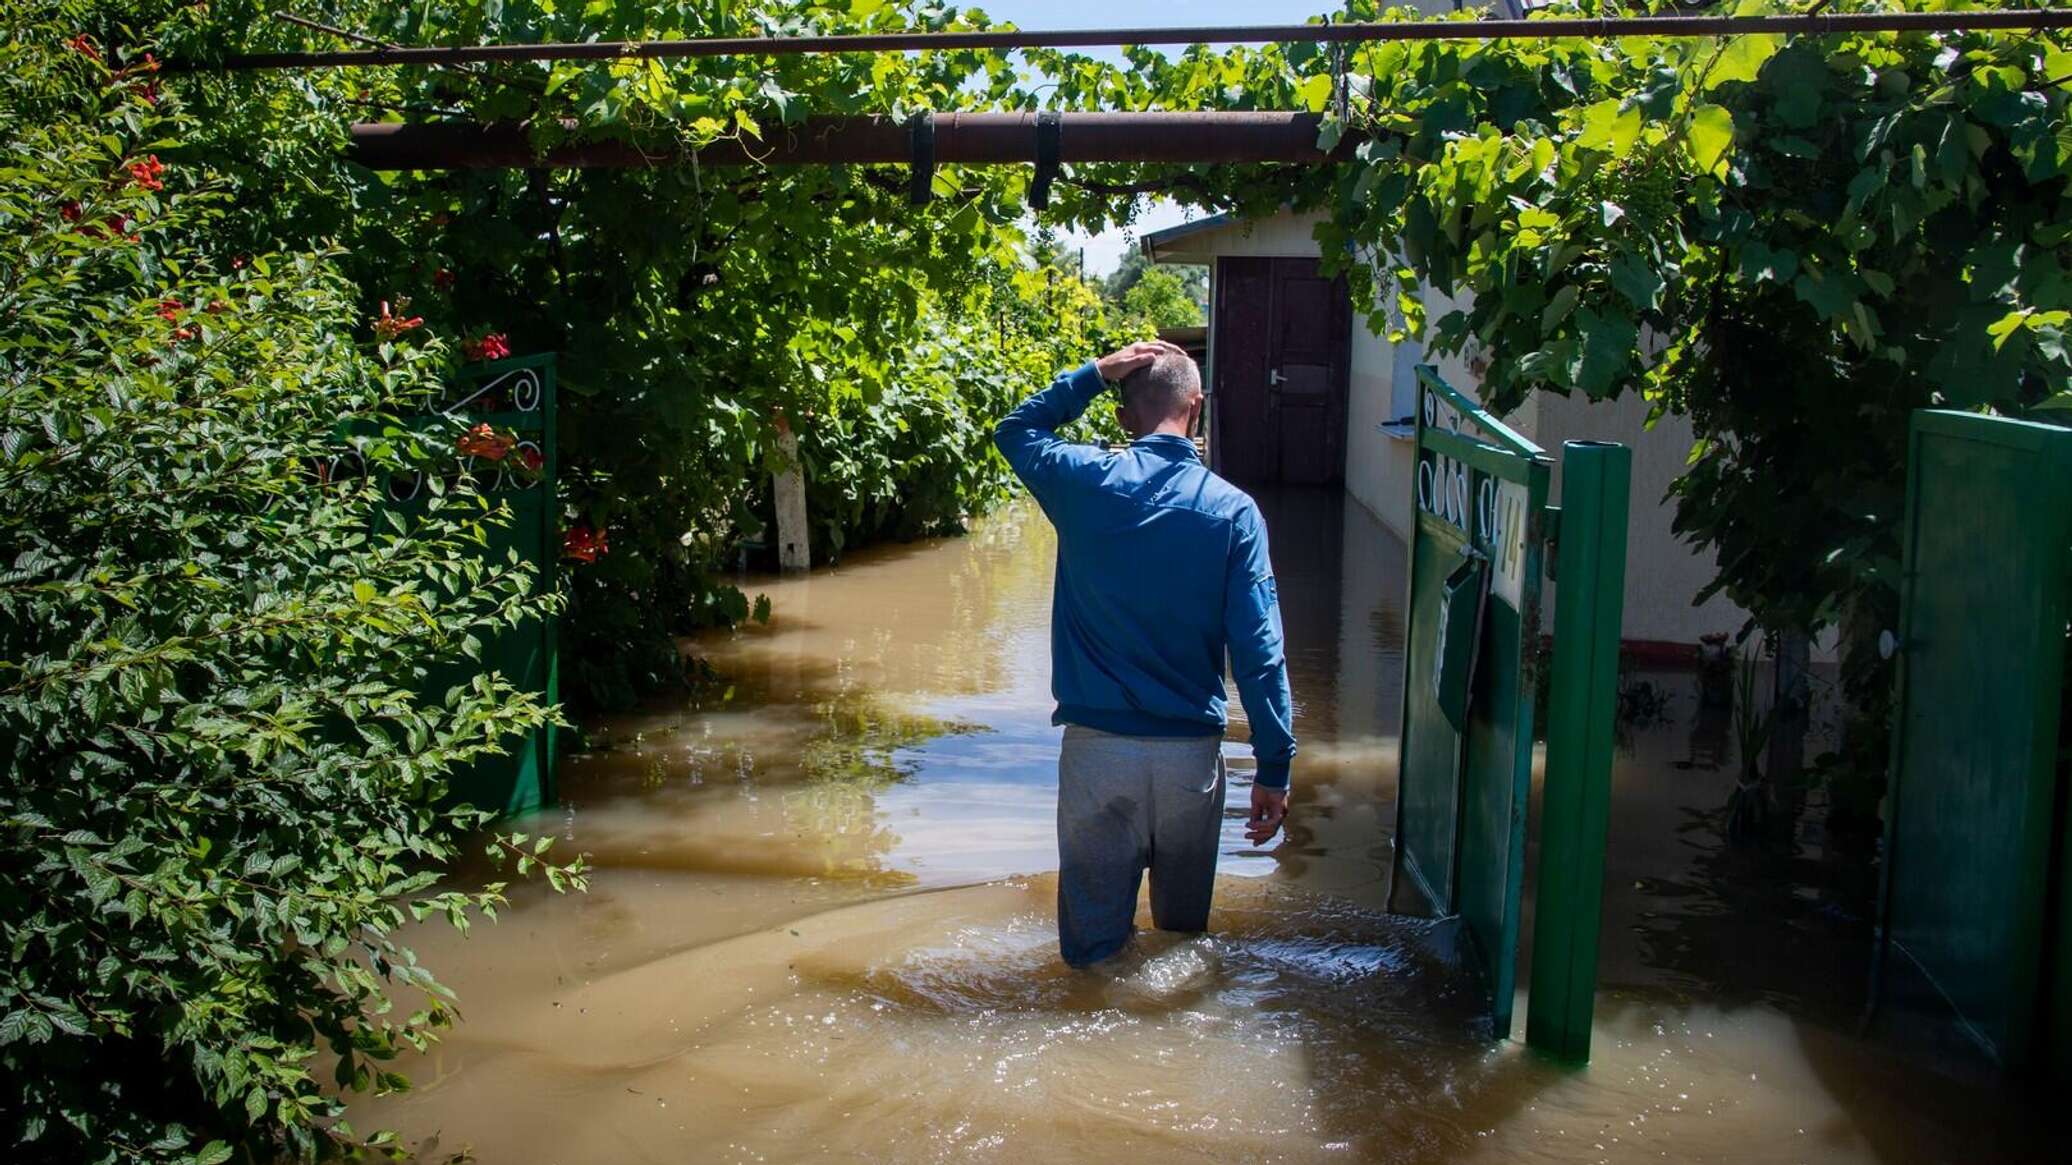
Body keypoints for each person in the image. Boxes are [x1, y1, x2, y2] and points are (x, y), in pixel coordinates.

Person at [994, 340, 1297, 967]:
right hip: (1191, 761)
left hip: (1096, 754)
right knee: (1179, 951)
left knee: (1091, 956)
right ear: (1198, 406)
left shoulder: (1083, 481)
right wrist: (1274, 765)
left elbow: (1016, 428)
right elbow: (1260, 655)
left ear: (1123, 414)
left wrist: (1095, 373)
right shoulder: (1234, 513)